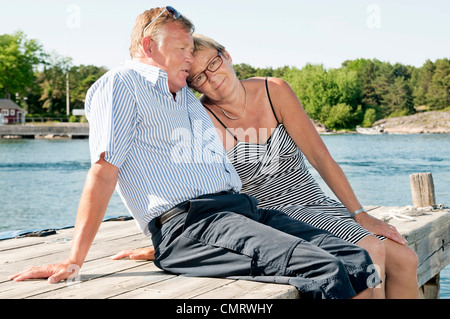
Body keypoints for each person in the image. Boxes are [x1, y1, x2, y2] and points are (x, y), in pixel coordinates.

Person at [9, 7, 380, 299]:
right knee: (323, 269)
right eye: (182, 48)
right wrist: (75, 260)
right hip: (192, 224)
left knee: (354, 260)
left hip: (239, 212)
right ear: (149, 47)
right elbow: (105, 172)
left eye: (192, 47)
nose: (191, 57)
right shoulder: (120, 85)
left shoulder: (186, 95)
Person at [112, 34, 419, 299]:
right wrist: (175, 237)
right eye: (199, 78)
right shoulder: (204, 120)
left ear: (227, 56)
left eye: (213, 64)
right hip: (271, 216)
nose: (212, 78)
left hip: (314, 200)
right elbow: (193, 187)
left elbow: (320, 157)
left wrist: (360, 214)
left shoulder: (275, 90)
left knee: (405, 259)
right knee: (371, 252)